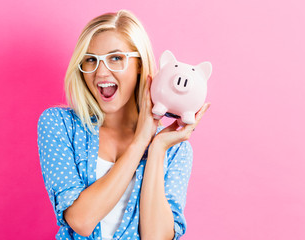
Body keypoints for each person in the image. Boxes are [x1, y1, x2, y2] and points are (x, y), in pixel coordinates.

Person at [37, 9, 210, 240]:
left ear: (140, 64)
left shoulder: (175, 149)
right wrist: (139, 142)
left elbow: (156, 238)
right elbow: (82, 221)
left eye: (116, 58)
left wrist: (157, 148)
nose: (101, 72)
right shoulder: (60, 125)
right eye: (90, 59)